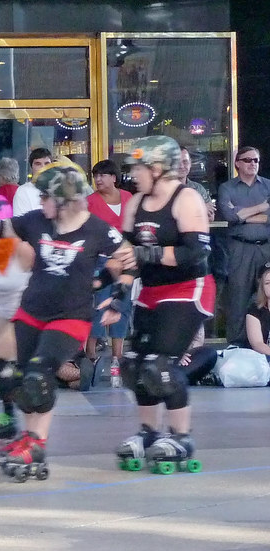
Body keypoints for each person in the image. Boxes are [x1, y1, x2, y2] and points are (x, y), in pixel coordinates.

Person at [0, 163, 128, 480]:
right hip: (31, 312)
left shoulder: (95, 228)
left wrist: (114, 292)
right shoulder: (37, 220)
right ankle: (28, 437)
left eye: (45, 197)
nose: (40, 202)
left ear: (63, 200)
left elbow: (127, 258)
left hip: (70, 318)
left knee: (38, 376)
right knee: (5, 373)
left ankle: (37, 443)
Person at [115, 135, 214, 472]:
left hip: (188, 287)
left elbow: (195, 252)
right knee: (135, 365)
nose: (133, 175)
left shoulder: (186, 199)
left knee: (161, 365)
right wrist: (116, 291)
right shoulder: (135, 203)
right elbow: (127, 256)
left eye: (139, 168)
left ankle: (181, 436)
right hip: (151, 289)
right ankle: (148, 432)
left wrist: (149, 253)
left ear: (157, 168)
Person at [84, 159, 134, 382]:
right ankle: (90, 356)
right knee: (98, 307)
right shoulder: (90, 201)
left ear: (114, 177)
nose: (98, 179)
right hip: (100, 261)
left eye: (102, 175)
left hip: (125, 261)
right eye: (95, 175)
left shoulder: (128, 197)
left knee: (122, 306)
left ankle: (117, 358)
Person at [217, 146, 270, 343]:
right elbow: (229, 215)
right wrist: (263, 206)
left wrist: (242, 214)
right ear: (237, 163)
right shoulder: (227, 188)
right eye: (248, 160)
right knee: (238, 298)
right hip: (239, 249)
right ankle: (237, 346)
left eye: (256, 160)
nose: (253, 163)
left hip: (266, 248)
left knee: (267, 297)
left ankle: (264, 343)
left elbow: (237, 216)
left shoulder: (268, 185)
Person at [235, 261, 270, 357]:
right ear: (262, 287)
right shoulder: (255, 311)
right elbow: (257, 344)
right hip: (263, 358)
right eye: (267, 283)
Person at [11, 148, 54, 217]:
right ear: (31, 167)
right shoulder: (23, 191)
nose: (43, 168)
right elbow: (20, 222)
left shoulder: (58, 189)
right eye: (38, 164)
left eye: (47, 164)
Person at [181, 148, 216, 222]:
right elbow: (167, 217)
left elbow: (210, 217)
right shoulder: (163, 189)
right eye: (177, 162)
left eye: (185, 162)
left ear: (190, 163)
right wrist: (201, 208)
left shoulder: (198, 188)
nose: (181, 166)